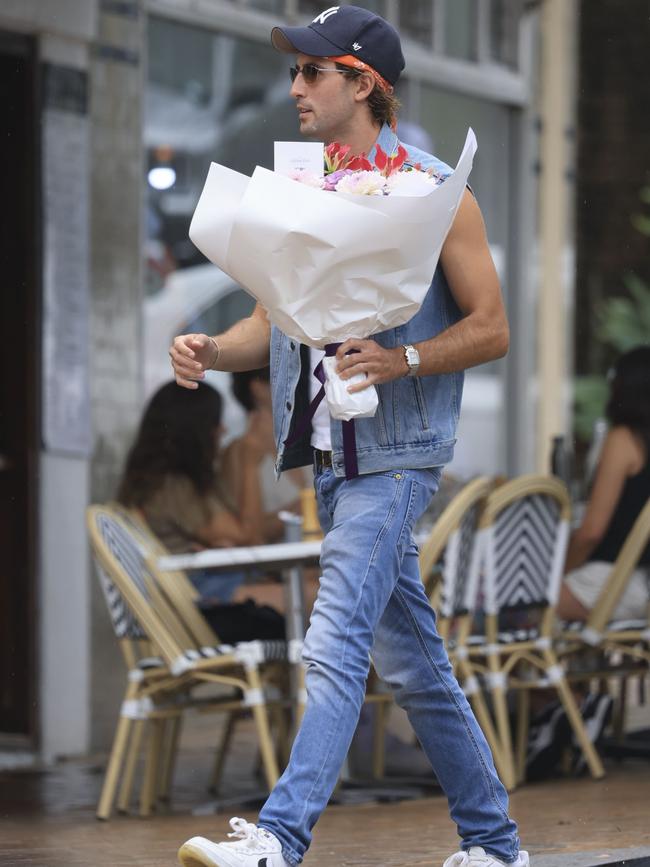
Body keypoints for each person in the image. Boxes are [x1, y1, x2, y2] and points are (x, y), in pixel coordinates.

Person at [170, 6, 526, 867]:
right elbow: (270, 323)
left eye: (312, 72)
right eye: (295, 71)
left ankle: (280, 839)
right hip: (328, 458)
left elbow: (493, 328)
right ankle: (496, 844)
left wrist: (403, 357)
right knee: (416, 670)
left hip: (396, 459)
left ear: (363, 82)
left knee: (331, 639)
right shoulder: (297, 186)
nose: (294, 87)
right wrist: (214, 350)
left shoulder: (439, 192)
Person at [116, 381, 286, 642]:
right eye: (215, 422)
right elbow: (249, 535)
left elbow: (241, 536)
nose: (222, 429)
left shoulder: (166, 482)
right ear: (196, 429)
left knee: (314, 598)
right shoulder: (173, 487)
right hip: (196, 605)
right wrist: (250, 462)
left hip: (195, 596)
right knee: (319, 600)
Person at [558, 345, 650, 622]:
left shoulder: (624, 440)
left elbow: (591, 533)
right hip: (641, 584)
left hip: (614, 582)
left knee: (511, 602)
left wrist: (557, 574)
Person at [222, 368, 307, 544]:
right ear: (258, 387)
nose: (297, 384)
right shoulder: (239, 451)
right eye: (288, 376)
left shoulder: (310, 437)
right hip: (279, 565)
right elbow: (249, 533)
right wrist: (310, 505)